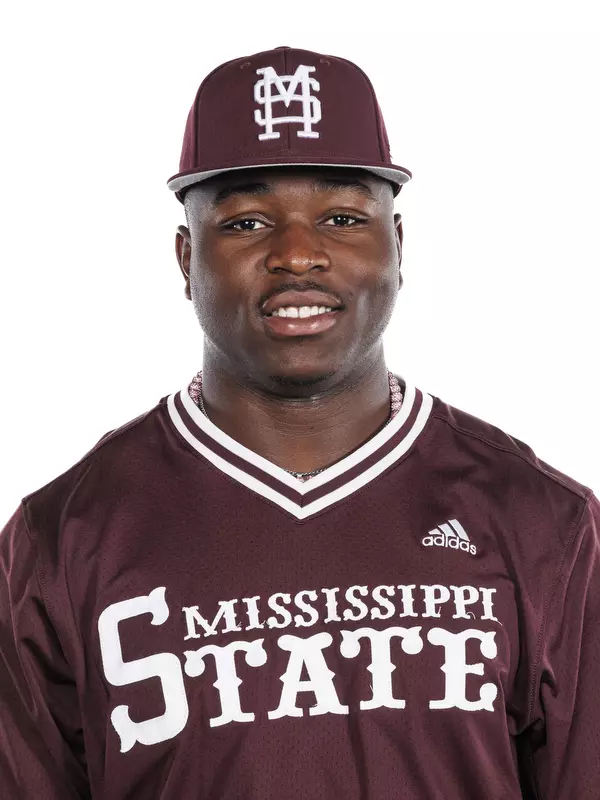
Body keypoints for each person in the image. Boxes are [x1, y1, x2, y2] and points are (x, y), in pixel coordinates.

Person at [0, 44, 598, 800]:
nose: (297, 254)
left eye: (343, 216)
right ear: (186, 258)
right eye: (247, 222)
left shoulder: (544, 522)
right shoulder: (61, 538)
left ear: (398, 245)